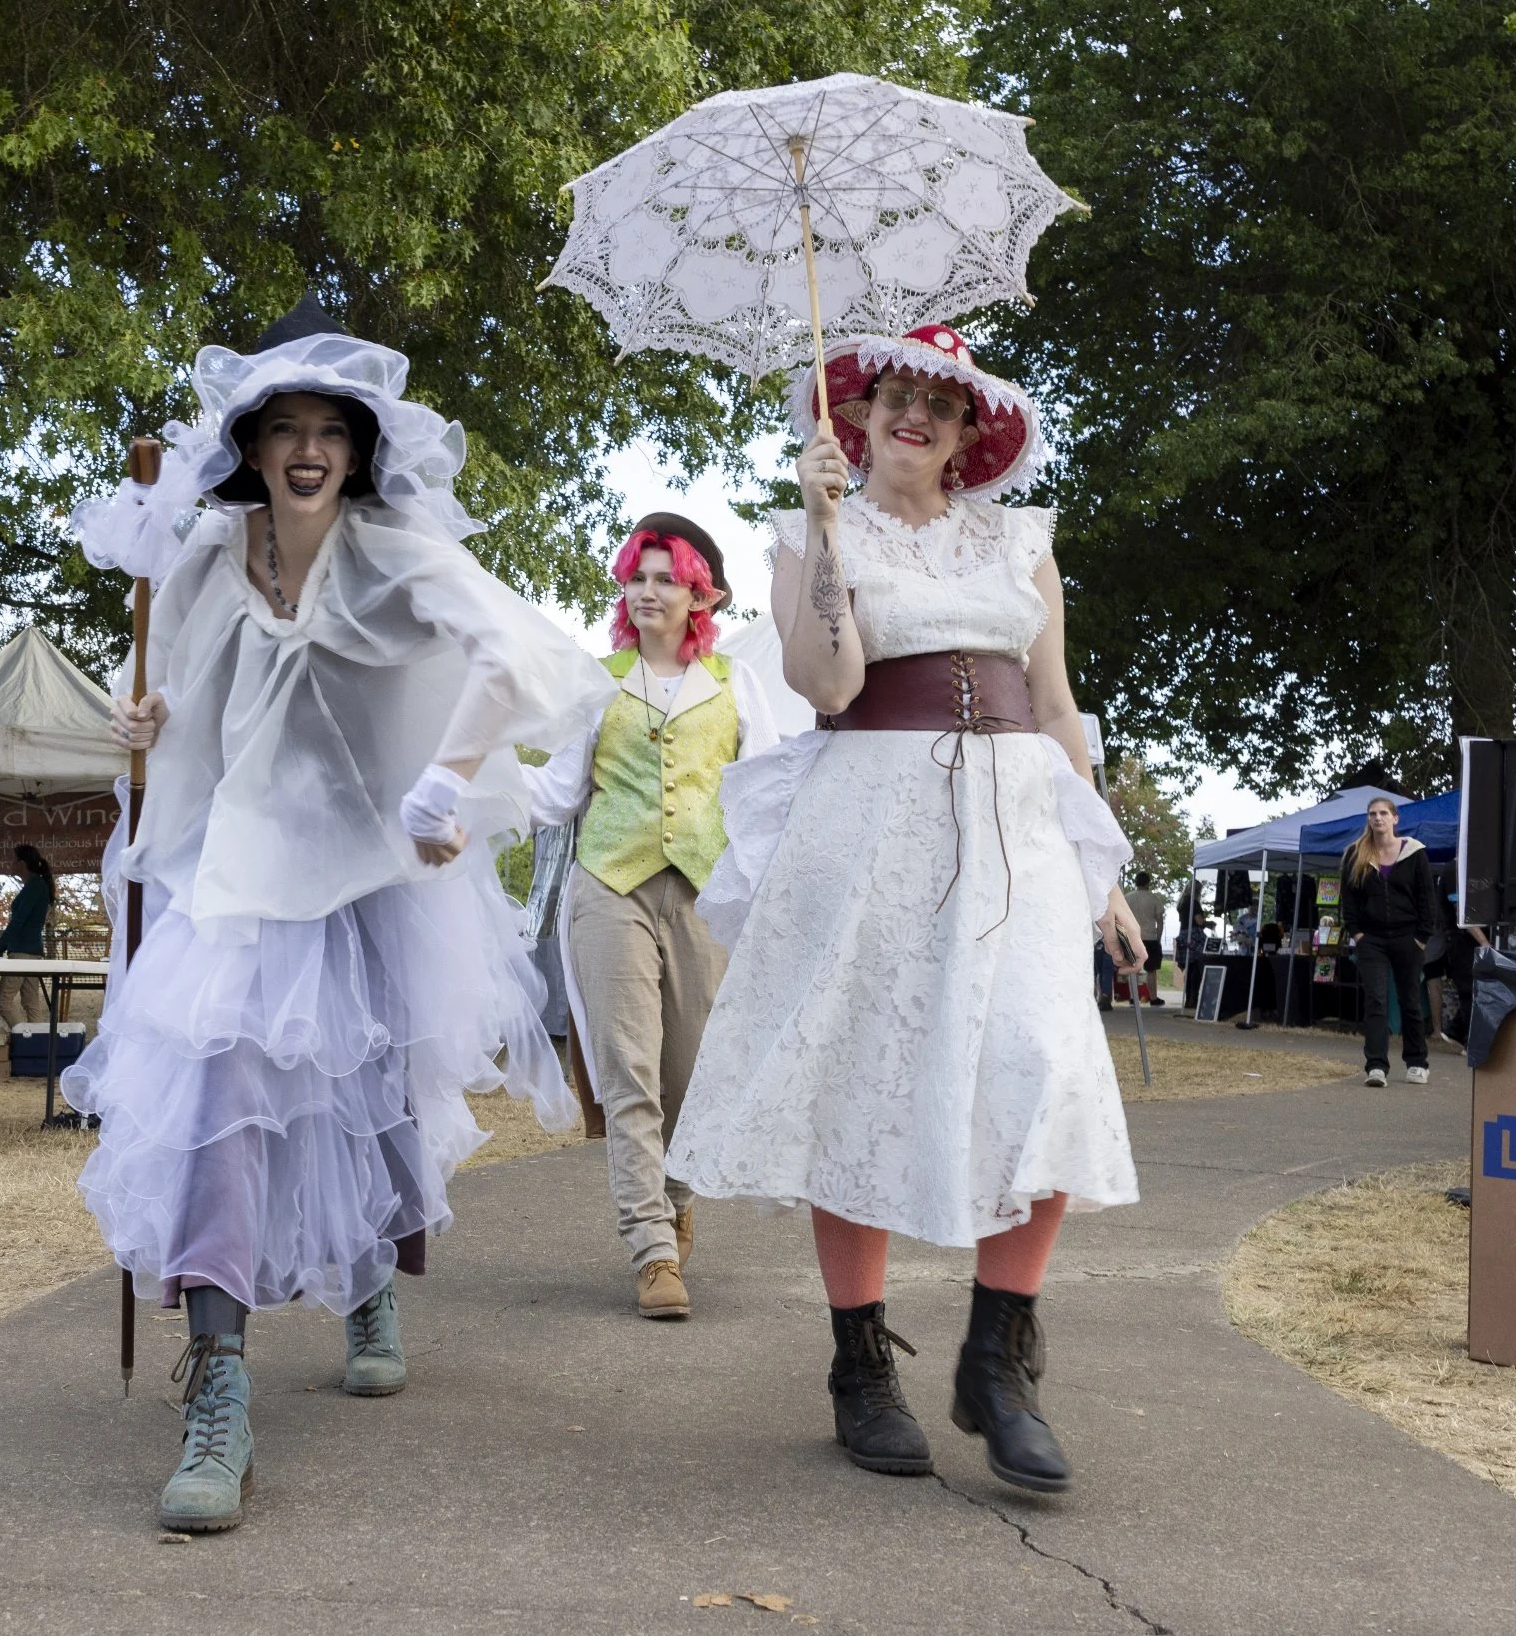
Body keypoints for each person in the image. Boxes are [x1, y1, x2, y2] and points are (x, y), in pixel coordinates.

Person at [69, 298, 609, 1533]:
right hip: (228, 870)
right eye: (284, 427)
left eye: (331, 429)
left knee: (371, 1089)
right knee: (217, 1099)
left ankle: (368, 1278)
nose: (308, 447)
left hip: (369, 861)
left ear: (360, 452)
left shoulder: (395, 550)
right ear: (251, 447)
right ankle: (217, 1385)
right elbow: (163, 692)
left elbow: (521, 661)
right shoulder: (205, 553)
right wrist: (137, 724)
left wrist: (445, 778)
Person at [668, 324, 1141, 1495]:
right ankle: (859, 1365)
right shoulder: (802, 532)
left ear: (971, 430)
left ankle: (998, 1358)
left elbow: (1058, 703)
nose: (912, 414)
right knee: (861, 1076)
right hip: (871, 813)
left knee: (1040, 1061)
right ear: (856, 413)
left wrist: (1103, 861)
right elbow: (825, 683)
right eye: (891, 394)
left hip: (1016, 819)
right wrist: (826, 529)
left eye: (939, 399)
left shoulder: (1021, 539)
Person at [523, 513, 780, 1320]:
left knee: (692, 1076)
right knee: (629, 1069)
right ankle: (652, 1249)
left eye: (666, 577)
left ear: (701, 592)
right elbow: (557, 794)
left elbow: (767, 793)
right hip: (609, 885)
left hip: (706, 890)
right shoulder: (600, 685)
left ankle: (676, 1194)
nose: (647, 590)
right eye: (638, 575)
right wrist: (471, 782)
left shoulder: (738, 684)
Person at [1342, 797, 1434, 1086]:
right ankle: (1376, 1066)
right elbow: (1350, 899)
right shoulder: (1356, 854)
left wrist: (1421, 937)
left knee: (1410, 1001)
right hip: (1372, 940)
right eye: (1372, 814)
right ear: (1368, 819)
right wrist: (1357, 933)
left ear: (1396, 818)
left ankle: (1417, 1062)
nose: (1378, 818)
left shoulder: (1415, 853)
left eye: (1383, 813)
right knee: (1376, 1001)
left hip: (1408, 938)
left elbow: (1426, 898)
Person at [0, 843, 56, 1027]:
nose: (10, 864)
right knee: (31, 1003)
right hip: (33, 952)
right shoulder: (37, 885)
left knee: (2, 1002)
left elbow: (19, 920)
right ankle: (38, 1046)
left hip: (22, 953)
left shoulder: (35, 886)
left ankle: (24, 1037)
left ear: (22, 863)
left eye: (13, 860)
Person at [1123, 871, 1168, 1005]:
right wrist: (1158, 937)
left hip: (1132, 937)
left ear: (1135, 882)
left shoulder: (1127, 898)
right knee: (1151, 970)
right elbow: (1159, 921)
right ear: (1148, 883)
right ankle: (1153, 998)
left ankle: (1133, 997)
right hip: (1150, 937)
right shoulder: (1154, 898)